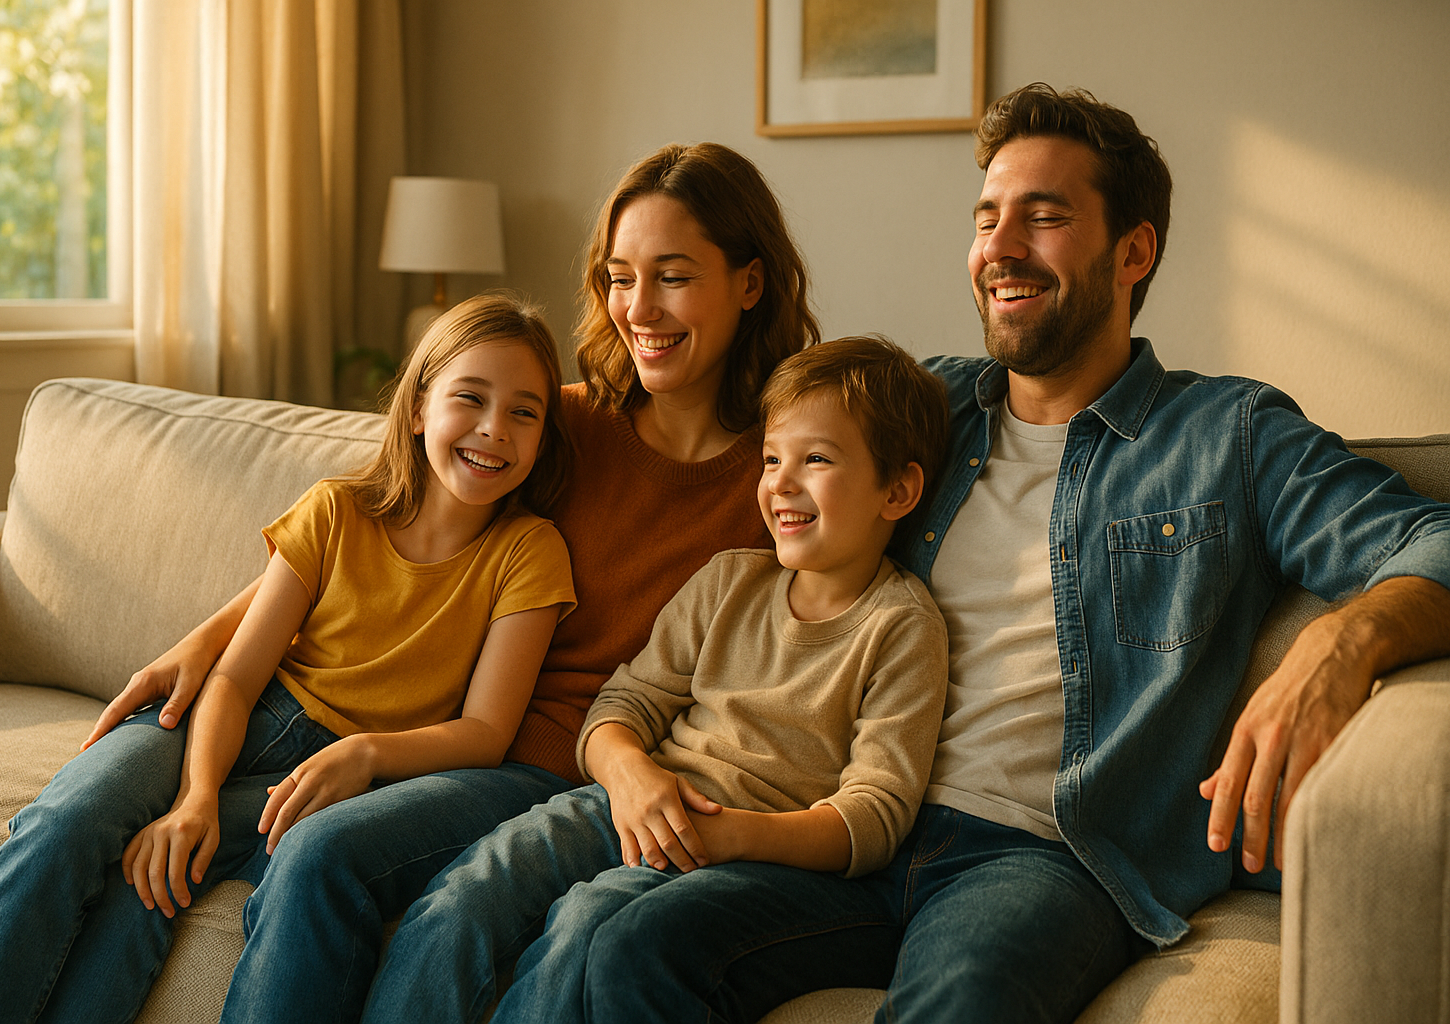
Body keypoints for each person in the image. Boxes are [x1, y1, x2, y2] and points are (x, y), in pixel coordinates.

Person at [575, 84, 1450, 1024]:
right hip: (861, 822)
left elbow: (1431, 539)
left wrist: (1341, 644)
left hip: (1041, 853)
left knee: (963, 1002)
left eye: (1044, 217)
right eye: (987, 217)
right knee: (635, 949)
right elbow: (769, 436)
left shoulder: (1227, 434)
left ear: (1134, 251)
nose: (1000, 247)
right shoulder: (930, 406)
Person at [73, 142, 819, 1023]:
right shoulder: (559, 421)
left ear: (751, 282)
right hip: (458, 743)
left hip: (581, 775)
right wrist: (207, 643)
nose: (638, 308)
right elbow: (366, 525)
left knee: (324, 855)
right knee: (155, 841)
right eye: (619, 277)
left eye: (673, 276)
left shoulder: (786, 472)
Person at [0, 292, 579, 1024]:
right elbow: (235, 675)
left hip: (337, 770)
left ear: (543, 436)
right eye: (471, 398)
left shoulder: (529, 552)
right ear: (421, 405)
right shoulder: (336, 510)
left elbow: (487, 732)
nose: (495, 428)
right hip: (234, 715)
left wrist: (366, 753)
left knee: (151, 873)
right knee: (61, 825)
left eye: (525, 412)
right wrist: (195, 797)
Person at [358, 336, 951, 1024]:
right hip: (630, 802)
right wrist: (631, 774)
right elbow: (621, 706)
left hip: (745, 847)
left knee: (586, 924)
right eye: (770, 459)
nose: (780, 483)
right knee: (464, 895)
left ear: (899, 490)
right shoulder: (730, 579)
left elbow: (875, 816)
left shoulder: (902, 627)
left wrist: (733, 834)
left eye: (815, 460)